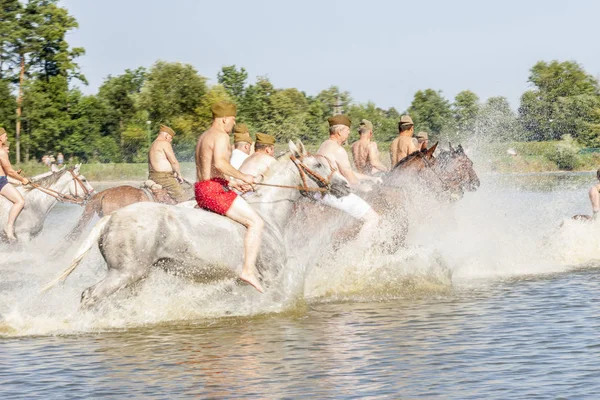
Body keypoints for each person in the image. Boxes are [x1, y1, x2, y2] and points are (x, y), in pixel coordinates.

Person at [195, 101, 264, 293]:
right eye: (233, 120)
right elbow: (220, 163)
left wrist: (233, 183)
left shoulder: (204, 137)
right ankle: (248, 270)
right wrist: (244, 177)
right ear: (224, 118)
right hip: (213, 191)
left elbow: (209, 169)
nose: (233, 125)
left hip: (201, 188)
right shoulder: (221, 136)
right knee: (256, 223)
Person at [316, 115, 380, 243]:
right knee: (373, 218)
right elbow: (352, 181)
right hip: (334, 194)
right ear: (340, 132)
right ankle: (358, 254)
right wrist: (365, 187)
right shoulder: (338, 150)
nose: (349, 133)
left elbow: (346, 172)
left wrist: (370, 178)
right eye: (347, 130)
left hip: (319, 193)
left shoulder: (324, 145)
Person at [0, 127, 30, 241]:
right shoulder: (1, 152)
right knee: (20, 201)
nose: (6, 138)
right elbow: (9, 172)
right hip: (1, 181)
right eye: (5, 136)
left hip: (2, 179)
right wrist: (22, 180)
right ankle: (9, 227)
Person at [148, 124, 190, 203]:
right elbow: (174, 162)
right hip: (164, 178)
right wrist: (179, 175)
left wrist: (173, 173)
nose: (170, 141)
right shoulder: (164, 143)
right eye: (171, 138)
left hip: (153, 176)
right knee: (184, 198)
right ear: (166, 136)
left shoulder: (152, 144)